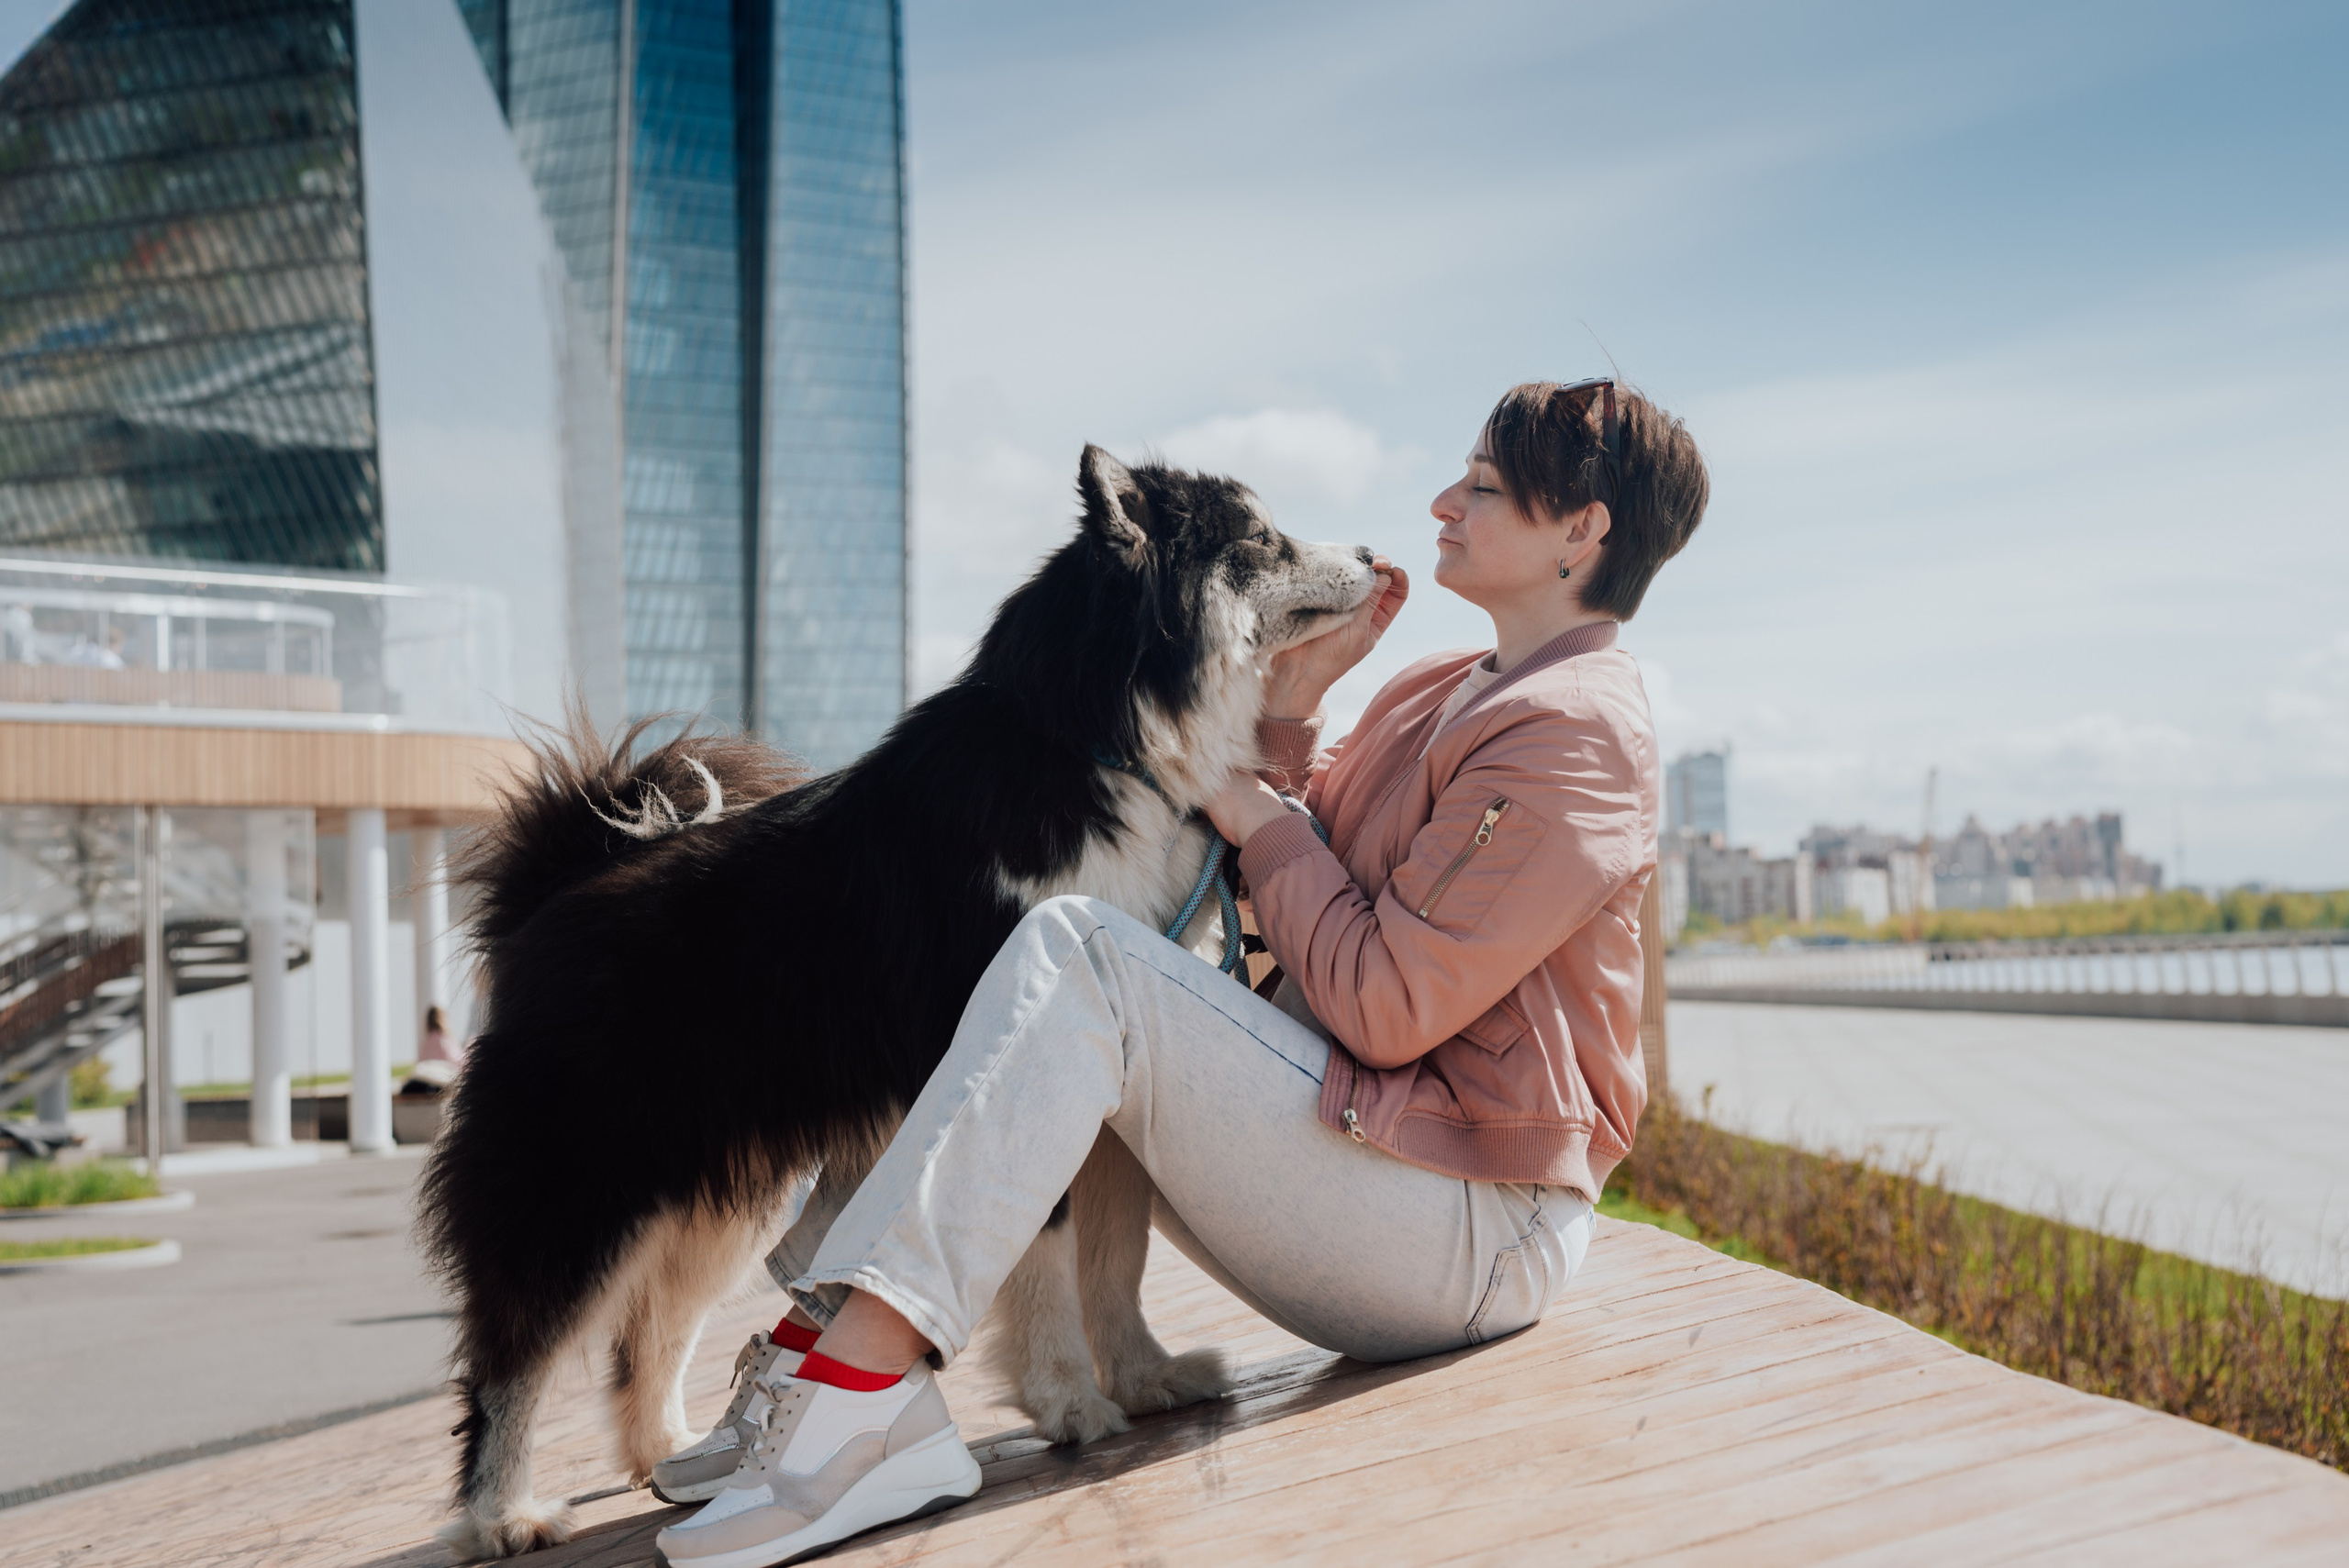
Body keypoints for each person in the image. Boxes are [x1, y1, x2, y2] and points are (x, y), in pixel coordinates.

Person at [653, 380, 1709, 1568]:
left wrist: (1246, 794)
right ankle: (819, 1361)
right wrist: (1292, 719)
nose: (1440, 502)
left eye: (1482, 486)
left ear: (1584, 531)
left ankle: (861, 1387)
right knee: (1015, 973)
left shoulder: (1576, 732)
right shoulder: (1444, 684)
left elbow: (1388, 998)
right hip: (1368, 1143)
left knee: (1077, 951)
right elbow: (1312, 878)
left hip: (1471, 1226)